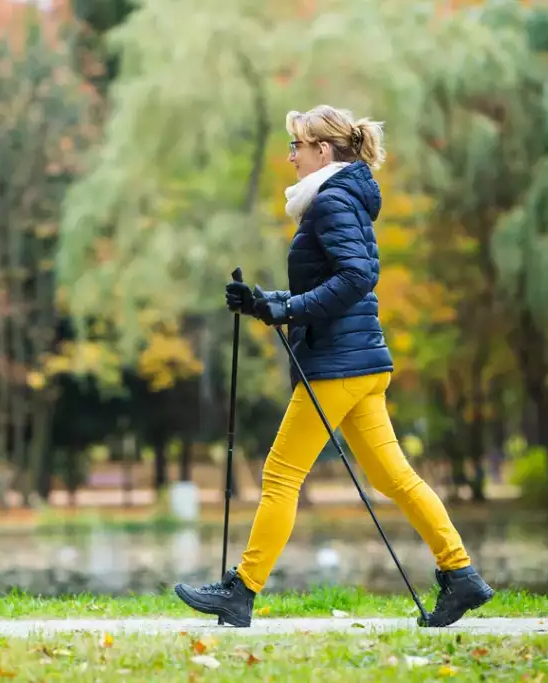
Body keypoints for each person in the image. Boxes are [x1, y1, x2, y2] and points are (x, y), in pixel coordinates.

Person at [173, 105, 494, 628]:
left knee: (280, 475)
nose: (290, 155)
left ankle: (242, 591)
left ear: (324, 150)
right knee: (395, 478)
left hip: (338, 364)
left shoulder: (331, 200)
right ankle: (461, 575)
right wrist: (263, 302)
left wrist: (289, 308)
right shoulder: (339, 198)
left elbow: (356, 276)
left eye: (297, 145)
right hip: (358, 359)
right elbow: (329, 282)